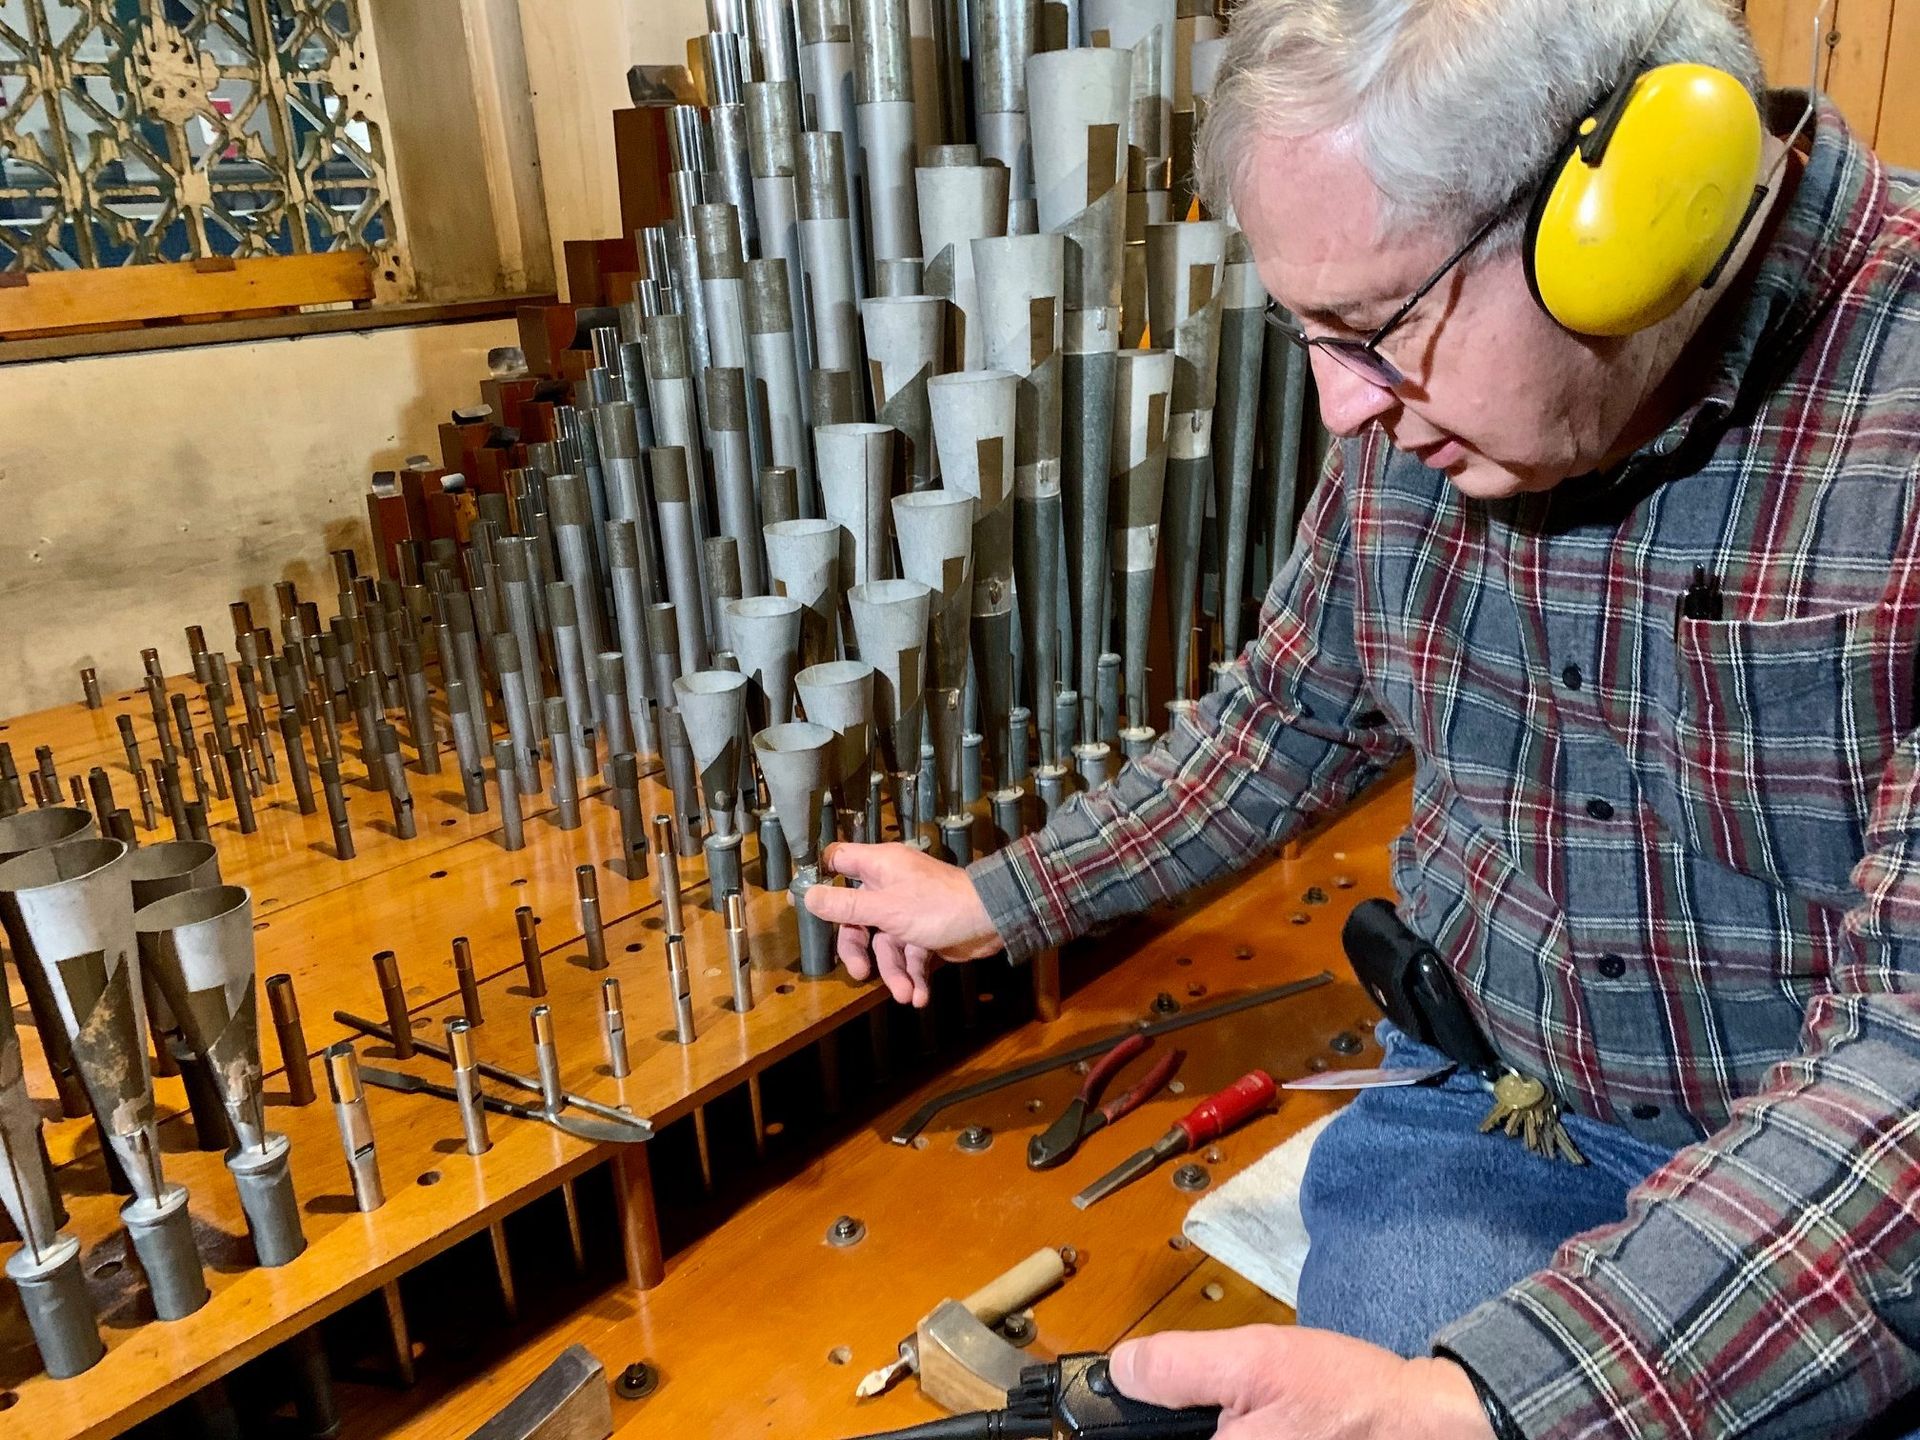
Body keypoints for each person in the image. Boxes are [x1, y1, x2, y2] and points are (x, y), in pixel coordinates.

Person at [807, 0, 1920, 1433]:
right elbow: (1288, 713)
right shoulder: (1418, 407)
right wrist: (997, 896)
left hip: (1843, 1171)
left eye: (1371, 330)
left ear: (1638, 213)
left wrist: (1488, 1406)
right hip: (1505, 1115)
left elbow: (1904, 1064)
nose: (1342, 409)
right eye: (1310, 336)